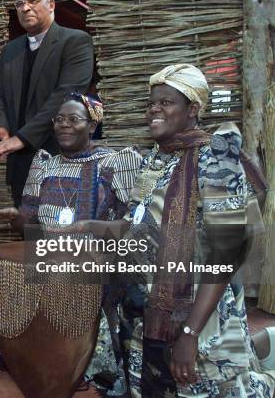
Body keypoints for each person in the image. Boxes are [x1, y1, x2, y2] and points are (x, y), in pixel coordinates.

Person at [68, 64, 275, 397]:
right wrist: (90, 226)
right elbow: (138, 225)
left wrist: (191, 334)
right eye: (152, 103)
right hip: (149, 313)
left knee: (207, 387)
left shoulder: (218, 161)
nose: (155, 109)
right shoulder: (158, 158)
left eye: (167, 103)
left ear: (192, 109)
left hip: (200, 313)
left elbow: (226, 253)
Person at [0, 92, 142, 396]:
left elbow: (131, 226)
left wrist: (93, 238)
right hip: (48, 264)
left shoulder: (114, 163)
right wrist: (15, 217)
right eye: (59, 120)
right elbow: (30, 225)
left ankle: (82, 361)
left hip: (95, 270)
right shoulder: (44, 164)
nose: (64, 126)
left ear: (92, 125)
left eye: (74, 119)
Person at [0, 0, 94, 207]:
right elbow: (0, 96)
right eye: (20, 3)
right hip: (20, 163)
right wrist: (1, 125)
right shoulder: (10, 50)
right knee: (28, 234)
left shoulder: (75, 41)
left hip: (60, 157)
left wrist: (22, 137)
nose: (25, 8)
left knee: (61, 237)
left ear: (51, 5)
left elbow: (65, 97)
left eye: (32, 1)